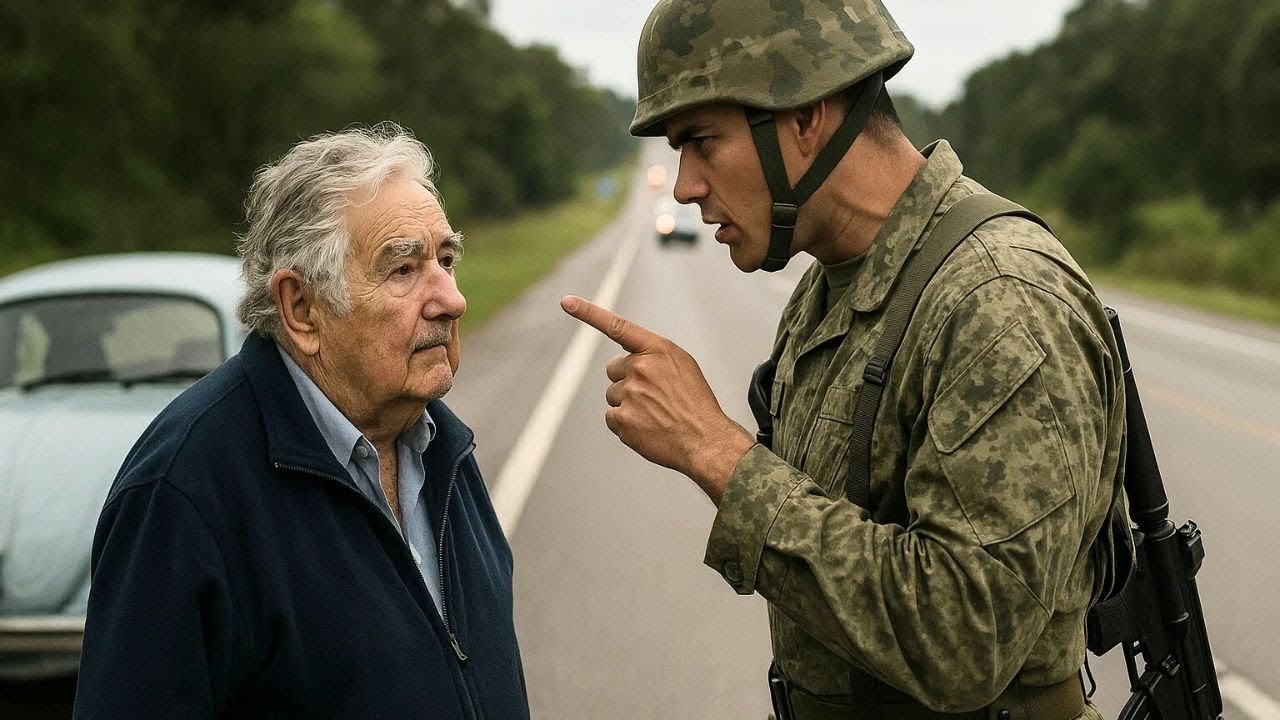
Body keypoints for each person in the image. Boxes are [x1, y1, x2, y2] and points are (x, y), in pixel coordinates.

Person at [561, 1, 1124, 718]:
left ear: (805, 116)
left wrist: (714, 450)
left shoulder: (999, 297)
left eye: (702, 141)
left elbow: (967, 640)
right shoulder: (829, 286)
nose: (684, 186)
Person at [74, 125, 529, 719]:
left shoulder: (442, 447)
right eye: (403, 269)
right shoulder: (185, 492)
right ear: (301, 308)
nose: (452, 298)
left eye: (446, 260)